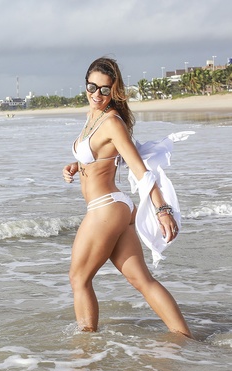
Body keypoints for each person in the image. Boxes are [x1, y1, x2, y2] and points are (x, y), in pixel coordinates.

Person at [62, 56, 192, 338]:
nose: (97, 94)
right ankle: (185, 338)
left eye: (105, 89)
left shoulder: (111, 122)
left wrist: (162, 210)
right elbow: (101, 157)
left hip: (105, 208)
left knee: (79, 278)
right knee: (142, 280)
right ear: (85, 84)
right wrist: (77, 165)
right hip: (115, 209)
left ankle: (85, 350)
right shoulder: (92, 117)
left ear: (114, 90)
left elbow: (140, 169)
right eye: (92, 87)